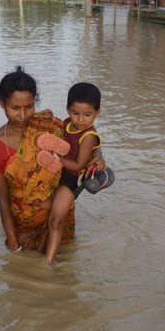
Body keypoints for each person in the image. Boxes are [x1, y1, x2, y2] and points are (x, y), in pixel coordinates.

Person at [0, 68, 104, 253]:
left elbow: (82, 137)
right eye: (15, 108)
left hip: (59, 219)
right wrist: (14, 247)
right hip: (23, 227)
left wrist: (98, 154)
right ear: (2, 103)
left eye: (29, 107)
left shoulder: (48, 126)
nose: (23, 115)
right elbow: (4, 201)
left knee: (64, 267)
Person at [44, 83, 102, 265]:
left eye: (87, 115)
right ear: (68, 109)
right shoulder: (67, 123)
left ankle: (47, 263)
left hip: (70, 179)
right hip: (58, 171)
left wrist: (56, 158)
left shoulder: (89, 135)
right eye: (75, 113)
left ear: (97, 113)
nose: (80, 120)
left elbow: (78, 166)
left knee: (55, 220)